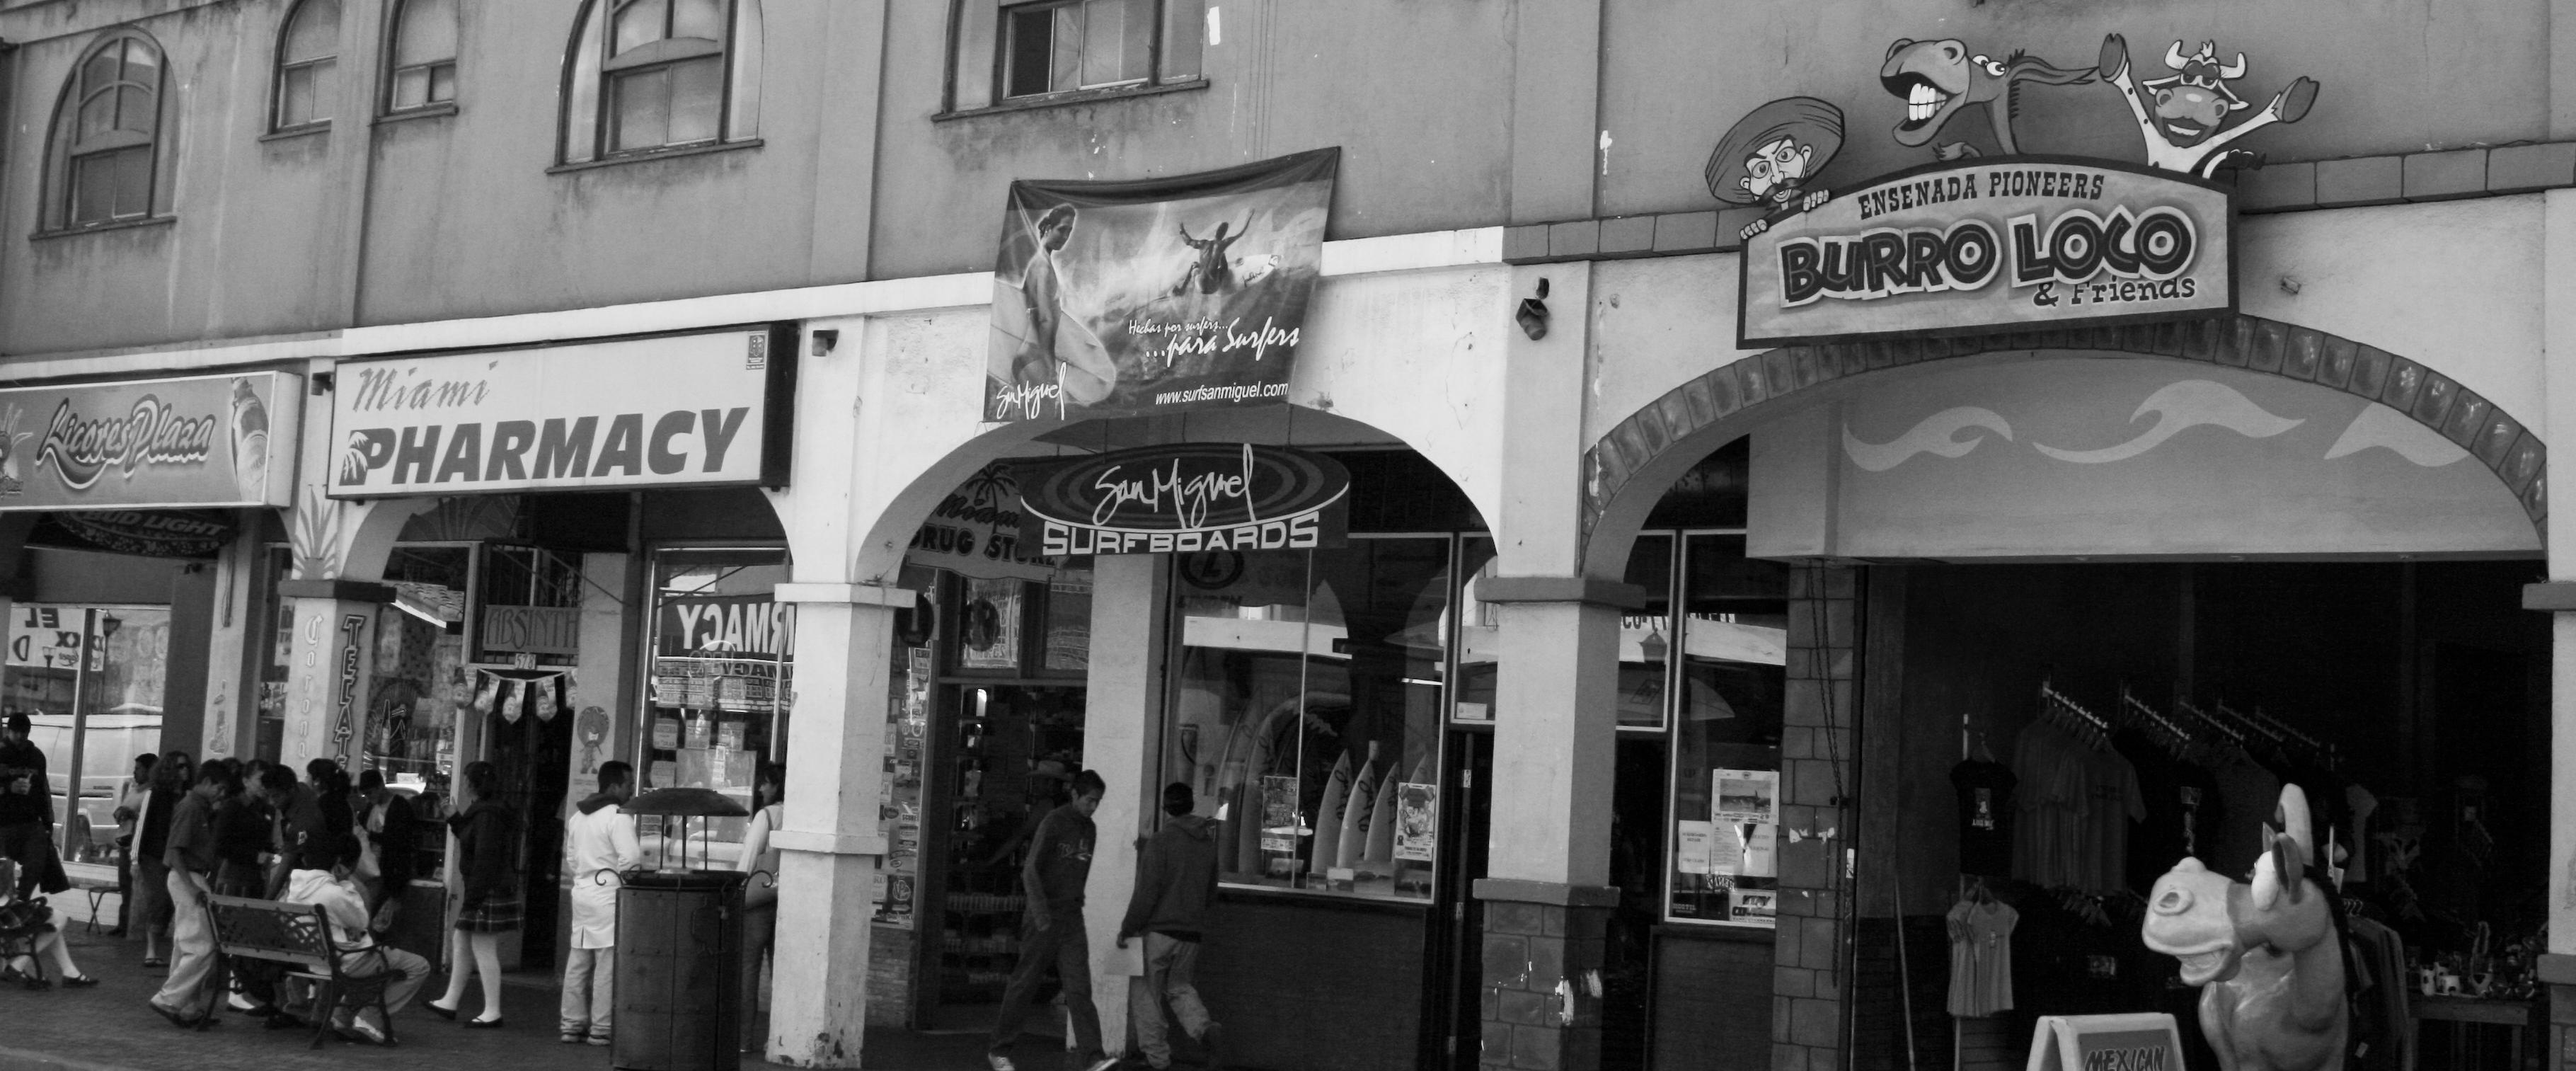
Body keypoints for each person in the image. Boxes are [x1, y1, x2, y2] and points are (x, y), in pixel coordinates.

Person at [987, 769, 1117, 1071]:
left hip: (1071, 917)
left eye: (1098, 802)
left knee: (1079, 989)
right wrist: (1041, 914)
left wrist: (1076, 903)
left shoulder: (1090, 830)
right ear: (1074, 795)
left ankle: (1094, 1058)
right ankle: (999, 1050)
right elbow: (1030, 870)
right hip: (1043, 916)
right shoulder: (1053, 822)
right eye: (1089, 800)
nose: (1094, 807)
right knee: (1024, 984)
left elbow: (1079, 873)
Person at [1116, 783, 1226, 1071]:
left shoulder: (1161, 841)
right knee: (1180, 987)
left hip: (1160, 932)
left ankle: (1157, 1059)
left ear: (1165, 808)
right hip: (1192, 934)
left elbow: (1147, 892)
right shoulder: (1207, 844)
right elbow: (1210, 894)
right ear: (1192, 805)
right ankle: (1204, 1029)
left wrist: (1128, 927)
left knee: (1145, 993)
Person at [284, 833, 430, 1045]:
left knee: (374, 960)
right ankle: (370, 1017)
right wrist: (346, 883)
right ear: (337, 861)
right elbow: (362, 920)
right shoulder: (333, 893)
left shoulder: (295, 889)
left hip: (313, 961)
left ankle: (342, 1016)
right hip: (344, 962)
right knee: (418, 966)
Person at [427, 760, 517, 1027]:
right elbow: (473, 841)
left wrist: (474, 898)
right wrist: (454, 817)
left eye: (467, 780)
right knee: (462, 939)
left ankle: (492, 1012)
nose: (465, 784)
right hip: (485, 887)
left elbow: (484, 857)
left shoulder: (487, 814)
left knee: (483, 947)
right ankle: (450, 1001)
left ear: (474, 784)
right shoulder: (487, 811)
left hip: (485, 888)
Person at [149, 761, 238, 1028]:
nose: (221, 794)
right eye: (219, 788)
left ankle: (188, 1007)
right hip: (188, 877)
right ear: (207, 782)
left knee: (186, 944)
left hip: (191, 877)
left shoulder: (200, 807)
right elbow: (174, 850)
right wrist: (191, 886)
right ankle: (169, 999)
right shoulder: (190, 807)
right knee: (202, 946)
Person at [559, 760, 639, 1046]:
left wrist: (585, 878)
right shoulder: (618, 816)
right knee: (607, 962)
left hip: (582, 892)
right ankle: (601, 1027)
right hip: (608, 894)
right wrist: (627, 880)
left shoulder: (578, 817)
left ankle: (571, 1024)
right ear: (615, 786)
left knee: (579, 960)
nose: (632, 790)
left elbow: (571, 858)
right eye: (629, 785)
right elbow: (632, 859)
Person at [211, 760, 290, 1019]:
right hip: (235, 878)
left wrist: (270, 852)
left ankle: (251, 991)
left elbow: (263, 841)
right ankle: (236, 991)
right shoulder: (233, 807)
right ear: (245, 781)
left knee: (252, 935)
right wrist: (255, 856)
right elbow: (222, 845)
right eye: (259, 780)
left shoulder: (265, 809)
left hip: (256, 878)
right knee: (236, 933)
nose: (264, 786)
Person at [736, 762, 784, 1053]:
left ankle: (743, 1039)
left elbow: (749, 859)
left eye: (766, 783)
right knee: (782, 972)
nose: (760, 788)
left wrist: (736, 893)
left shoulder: (766, 816)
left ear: (777, 786)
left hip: (758, 903)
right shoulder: (800, 815)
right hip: (786, 901)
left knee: (748, 970)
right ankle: (781, 1037)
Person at [132, 750, 193, 966]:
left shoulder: (188, 796)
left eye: (186, 766)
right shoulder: (156, 794)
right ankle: (152, 951)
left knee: (175, 901)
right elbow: (142, 826)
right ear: (169, 770)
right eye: (180, 767)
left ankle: (169, 949)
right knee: (160, 900)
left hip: (178, 855)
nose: (185, 771)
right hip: (154, 855)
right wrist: (135, 859)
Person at [0, 857, 98, 989]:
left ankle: (70, 972)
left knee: (51, 926)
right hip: (5, 914)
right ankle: (17, 965)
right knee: (59, 918)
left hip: (6, 909)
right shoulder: (5, 856)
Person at [351, 769, 418, 922]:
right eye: (365, 795)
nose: (369, 797)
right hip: (369, 870)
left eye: (370, 793)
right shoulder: (370, 807)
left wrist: (370, 836)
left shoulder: (400, 807)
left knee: (372, 918)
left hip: (388, 873)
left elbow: (400, 840)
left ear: (380, 786)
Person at [0, 767, 68, 899]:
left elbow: (43, 791)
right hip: (3, 823)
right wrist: (8, 788)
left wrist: (48, 823)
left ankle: (20, 900)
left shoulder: (36, 758)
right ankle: (10, 901)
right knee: (3, 868)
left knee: (35, 864)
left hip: (30, 821)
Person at [110, 752, 156, 937]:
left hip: (136, 846)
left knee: (134, 887)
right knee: (124, 886)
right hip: (124, 842)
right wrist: (121, 813)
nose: (135, 772)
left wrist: (133, 815)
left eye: (139, 769)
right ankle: (123, 923)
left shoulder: (150, 793)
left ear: (149, 771)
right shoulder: (133, 791)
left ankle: (132, 925)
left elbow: (147, 819)